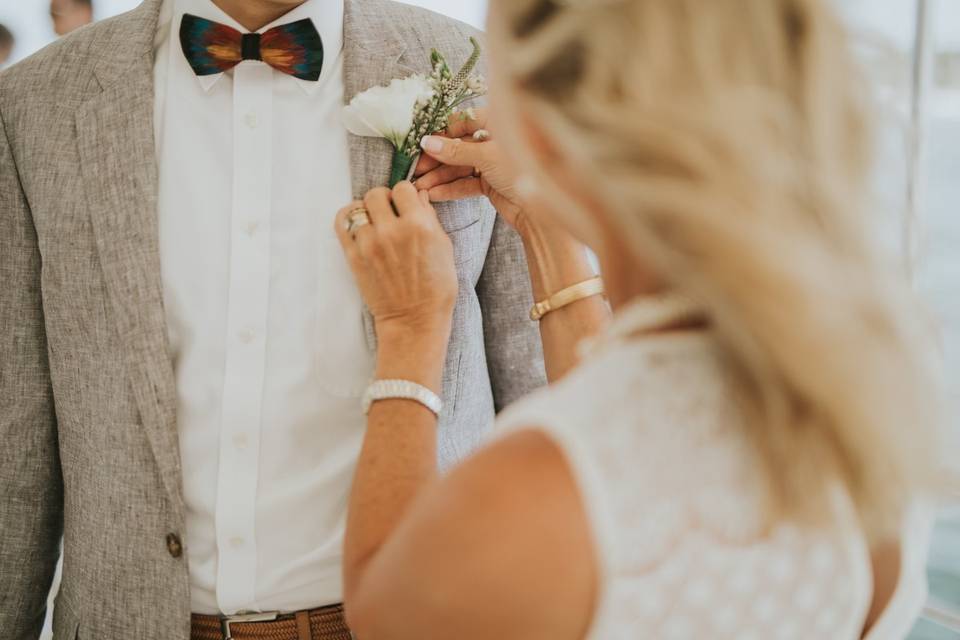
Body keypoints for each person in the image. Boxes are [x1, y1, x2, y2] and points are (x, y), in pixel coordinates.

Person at [332, 0, 943, 638]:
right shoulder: (868, 424)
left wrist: (410, 326)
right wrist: (547, 221)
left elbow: (384, 613)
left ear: (538, 131)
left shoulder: (535, 483)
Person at [0, 0, 544, 638]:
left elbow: (535, 388)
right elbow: (18, 439)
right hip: (132, 619)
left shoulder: (480, 72)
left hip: (416, 616)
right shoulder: (33, 101)